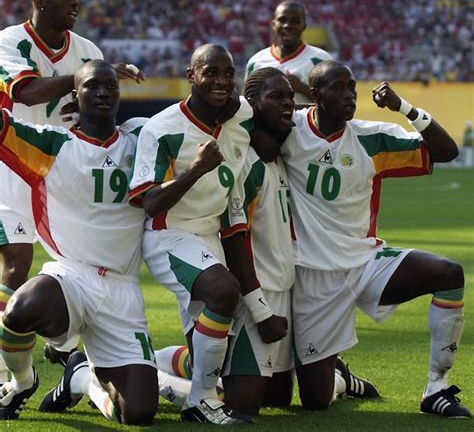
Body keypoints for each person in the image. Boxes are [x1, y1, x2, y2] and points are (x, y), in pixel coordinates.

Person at [278, 59, 470, 418]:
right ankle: (343, 380)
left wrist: (404, 108)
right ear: (316, 94)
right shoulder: (288, 130)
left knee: (448, 273)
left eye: (352, 87)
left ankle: (436, 388)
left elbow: (446, 152)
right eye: (338, 88)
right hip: (312, 275)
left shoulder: (371, 137)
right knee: (315, 401)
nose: (349, 95)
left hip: (365, 261)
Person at [0, 0, 143, 375]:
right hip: (17, 163)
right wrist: (84, 77)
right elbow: (26, 92)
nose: (75, 3)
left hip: (65, 171)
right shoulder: (10, 41)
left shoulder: (87, 49)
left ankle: (62, 342)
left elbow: (88, 105)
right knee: (17, 262)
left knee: (76, 263)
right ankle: (11, 369)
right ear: (39, 2)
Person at [0, 60, 158, 424]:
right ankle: (21, 382)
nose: (103, 92)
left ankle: (82, 378)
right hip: (70, 276)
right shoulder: (51, 144)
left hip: (122, 289)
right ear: (76, 92)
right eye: (92, 85)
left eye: (111, 86)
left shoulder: (142, 140)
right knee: (21, 307)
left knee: (137, 413)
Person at [219, 67, 378, 415]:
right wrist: (260, 311)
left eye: (291, 97)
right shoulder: (247, 161)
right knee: (241, 404)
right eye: (277, 97)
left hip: (286, 286)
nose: (290, 104)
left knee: (280, 396)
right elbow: (234, 240)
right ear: (251, 104)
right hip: (255, 292)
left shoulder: (279, 152)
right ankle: (161, 367)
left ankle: (340, 379)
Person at [129, 44, 253, 425]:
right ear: (190, 76)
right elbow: (149, 202)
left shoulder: (239, 116)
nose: (221, 81)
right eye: (210, 72)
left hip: (209, 235)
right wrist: (196, 169)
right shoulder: (161, 128)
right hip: (170, 234)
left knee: (208, 355)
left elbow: (257, 111)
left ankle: (156, 367)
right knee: (224, 291)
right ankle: (200, 402)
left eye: (228, 74)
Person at [245, 0, 332, 103]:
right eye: (282, 20)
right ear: (273, 24)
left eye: (295, 21)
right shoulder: (255, 62)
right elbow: (247, 103)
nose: (287, 25)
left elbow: (334, 102)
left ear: (304, 26)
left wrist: (302, 88)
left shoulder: (321, 59)